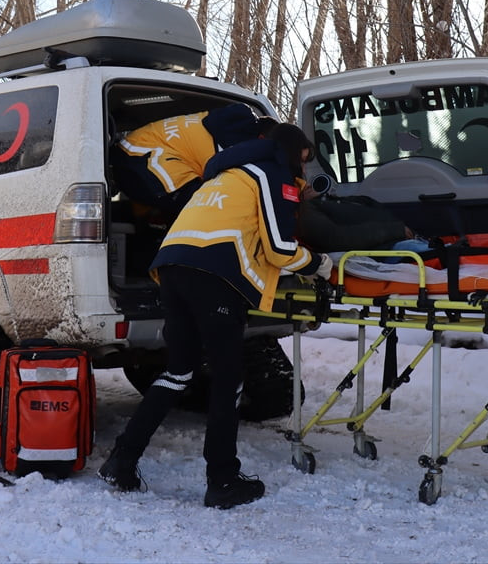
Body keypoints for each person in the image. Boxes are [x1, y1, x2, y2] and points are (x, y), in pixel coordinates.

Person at [98, 123, 331, 509]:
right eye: (304, 160)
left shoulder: (227, 173)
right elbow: (278, 248)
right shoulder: (273, 173)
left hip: (172, 266)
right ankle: (222, 479)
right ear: (292, 152)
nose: (305, 172)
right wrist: (319, 263)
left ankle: (122, 459)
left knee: (178, 371)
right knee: (228, 378)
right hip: (216, 275)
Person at [109, 103, 277, 223]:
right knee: (203, 207)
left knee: (185, 206)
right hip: (146, 161)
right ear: (262, 139)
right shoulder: (240, 143)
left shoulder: (223, 123)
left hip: (132, 157)